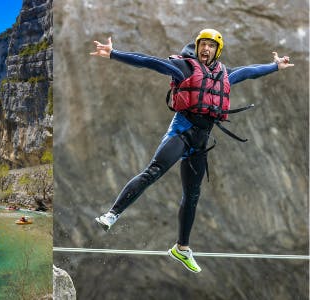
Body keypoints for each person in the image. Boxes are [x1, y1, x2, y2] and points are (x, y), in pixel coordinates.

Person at [90, 29, 293, 273]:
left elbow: (249, 72)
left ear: (217, 50)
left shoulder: (224, 74)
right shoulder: (185, 68)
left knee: (192, 196)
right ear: (197, 48)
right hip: (181, 133)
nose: (205, 49)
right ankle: (112, 214)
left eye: (210, 45)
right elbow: (149, 62)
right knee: (153, 171)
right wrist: (114, 53)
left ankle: (182, 249)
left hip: (201, 142)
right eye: (202, 45)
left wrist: (275, 66)